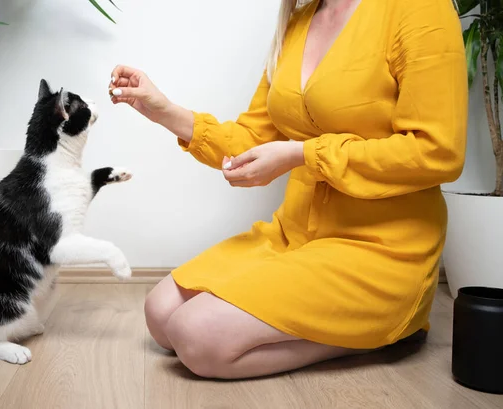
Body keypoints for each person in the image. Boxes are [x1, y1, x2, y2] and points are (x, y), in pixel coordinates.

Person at [109, 0, 467, 379]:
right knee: (161, 314)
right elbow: (251, 139)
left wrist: (304, 154)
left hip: (382, 247)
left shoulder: (419, 9)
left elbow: (437, 153)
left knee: (195, 336)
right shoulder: (298, 21)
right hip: (295, 237)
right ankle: (351, 327)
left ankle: (389, 327)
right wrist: (162, 109)